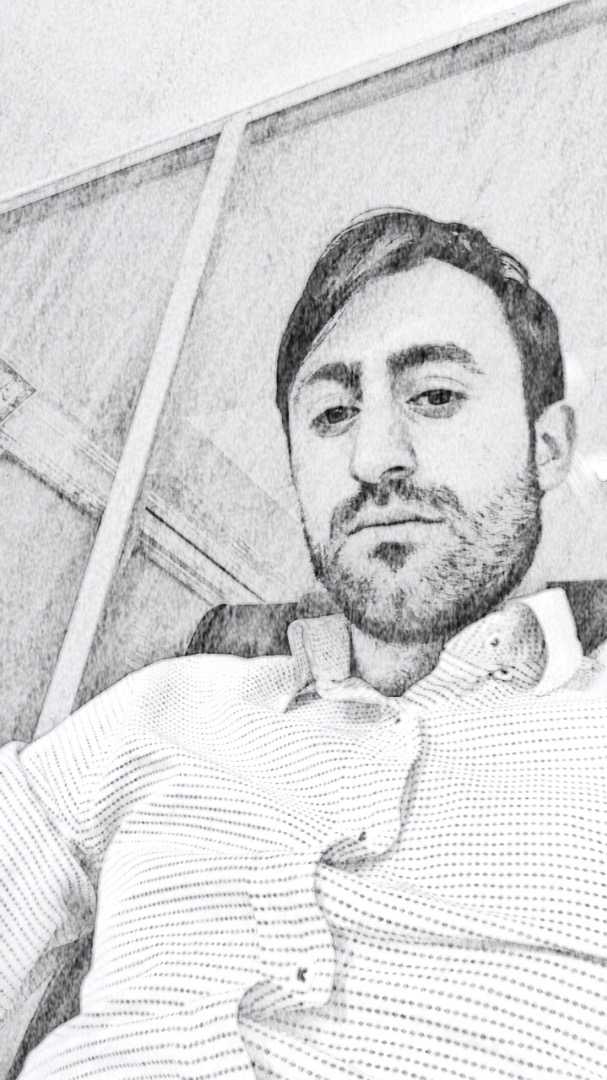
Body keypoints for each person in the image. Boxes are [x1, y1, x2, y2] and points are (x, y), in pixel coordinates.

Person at [2, 208, 607, 1080]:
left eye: (435, 395)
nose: (374, 456)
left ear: (547, 447)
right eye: (330, 413)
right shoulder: (159, 709)